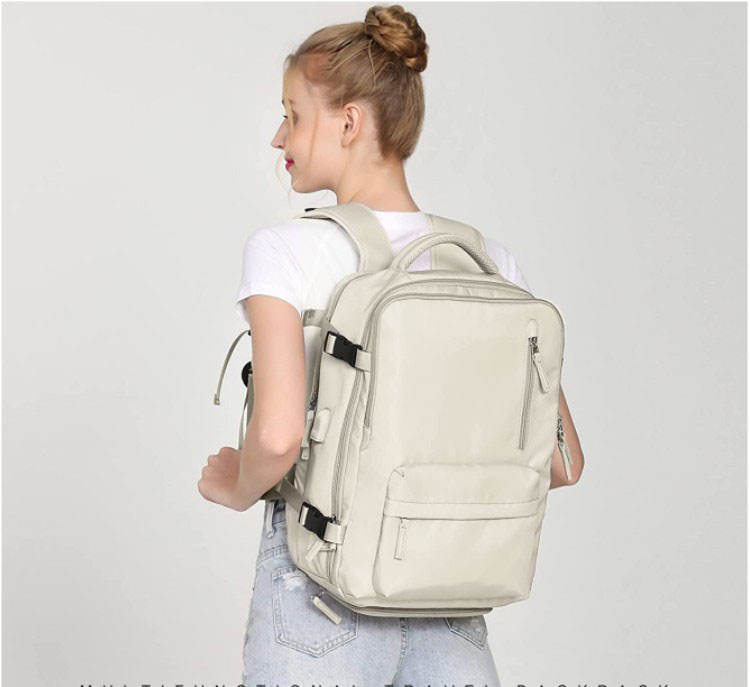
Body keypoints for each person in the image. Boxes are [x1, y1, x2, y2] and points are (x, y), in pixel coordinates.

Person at [198, 4, 585, 686]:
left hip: (320, 596)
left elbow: (280, 436)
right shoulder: (488, 266)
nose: (279, 136)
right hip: (450, 604)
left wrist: (236, 485)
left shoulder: (285, 249)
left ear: (348, 122)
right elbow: (561, 462)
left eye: (293, 114)